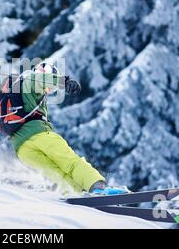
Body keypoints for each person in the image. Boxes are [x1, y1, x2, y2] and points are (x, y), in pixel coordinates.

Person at [10, 61, 128, 195]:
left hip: (22, 149)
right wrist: (64, 82)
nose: (49, 91)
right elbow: (41, 79)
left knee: (56, 173)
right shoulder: (31, 78)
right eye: (50, 88)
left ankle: (75, 194)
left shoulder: (19, 89)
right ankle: (98, 187)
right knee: (70, 161)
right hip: (38, 135)